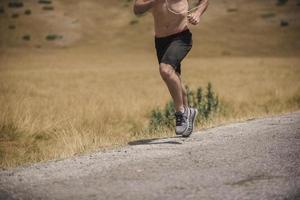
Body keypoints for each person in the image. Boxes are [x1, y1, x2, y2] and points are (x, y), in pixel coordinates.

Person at [133, 0, 209, 137]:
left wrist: (198, 13)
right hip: (161, 40)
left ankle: (180, 112)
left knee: (166, 70)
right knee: (174, 77)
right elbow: (137, 9)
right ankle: (188, 113)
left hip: (181, 36)